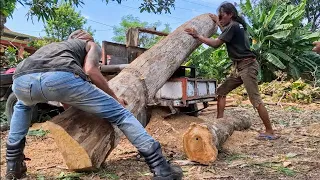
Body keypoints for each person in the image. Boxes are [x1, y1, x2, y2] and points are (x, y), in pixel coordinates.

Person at [5, 29, 183, 180]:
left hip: (21, 81)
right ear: (87, 39)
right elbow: (91, 70)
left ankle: (13, 166)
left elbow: (54, 85)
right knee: (121, 114)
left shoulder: (52, 48)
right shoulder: (90, 45)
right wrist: (114, 97)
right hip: (61, 78)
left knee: (22, 106)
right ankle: (161, 168)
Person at [185, 2, 279, 140]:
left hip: (247, 66)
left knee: (255, 100)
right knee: (221, 92)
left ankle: (270, 131)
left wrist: (197, 36)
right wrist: (218, 21)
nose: (220, 17)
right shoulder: (236, 26)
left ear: (230, 14)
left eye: (222, 15)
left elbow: (216, 44)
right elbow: (224, 30)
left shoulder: (233, 26)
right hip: (240, 67)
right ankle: (220, 122)